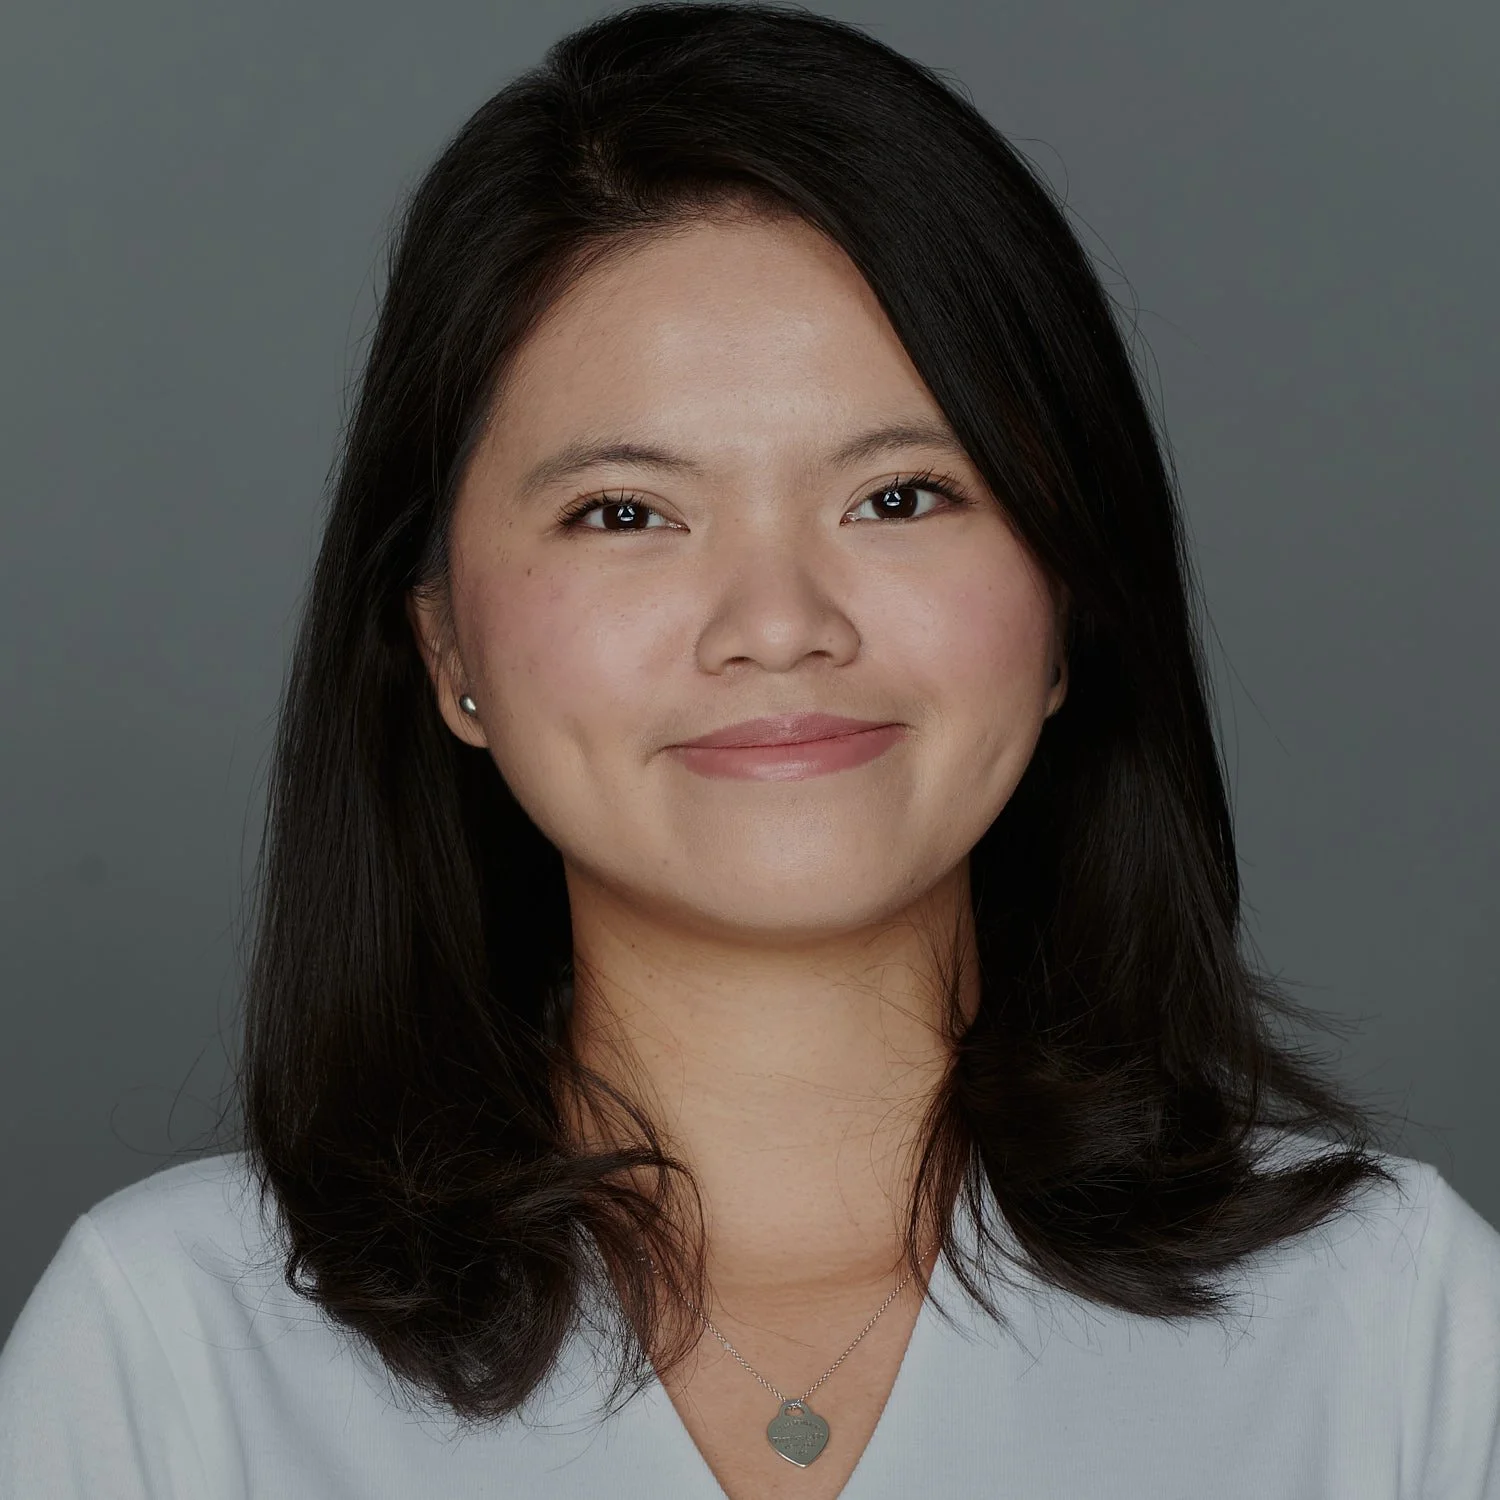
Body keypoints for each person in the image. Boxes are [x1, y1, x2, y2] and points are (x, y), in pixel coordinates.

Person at [3, 3, 1498, 1496]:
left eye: (901, 496)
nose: (777, 624)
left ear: (1070, 598)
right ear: (444, 646)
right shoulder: (175, 1351)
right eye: (625, 512)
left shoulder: (1393, 1326)